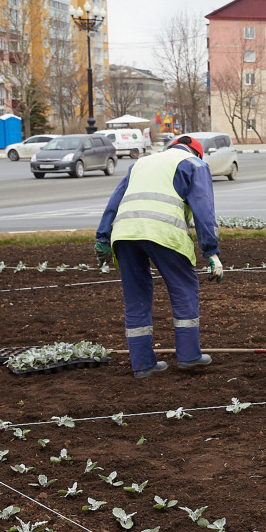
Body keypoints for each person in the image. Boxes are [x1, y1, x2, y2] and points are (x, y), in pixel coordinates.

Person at [95, 135, 222, 379]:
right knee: (183, 288)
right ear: (197, 153)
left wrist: (102, 238)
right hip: (163, 232)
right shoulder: (195, 164)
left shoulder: (140, 163)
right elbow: (204, 209)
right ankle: (189, 356)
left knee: (136, 298)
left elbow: (115, 201)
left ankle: (142, 364)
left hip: (124, 233)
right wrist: (212, 251)